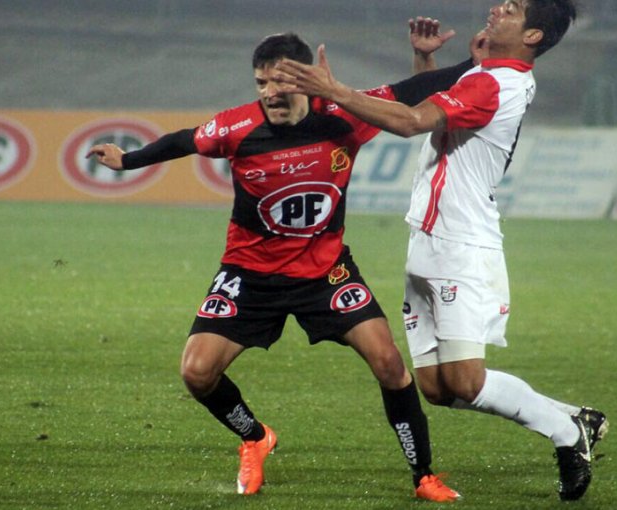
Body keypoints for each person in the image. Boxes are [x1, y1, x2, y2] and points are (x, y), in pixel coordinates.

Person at [87, 24, 485, 501]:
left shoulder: (345, 114)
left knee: (390, 366)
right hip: (249, 274)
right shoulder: (237, 127)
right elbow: (183, 141)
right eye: (261, 83)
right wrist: (127, 160)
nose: (270, 93)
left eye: (280, 81)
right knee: (196, 372)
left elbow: (414, 93)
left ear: (307, 78)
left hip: (326, 271)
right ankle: (255, 437)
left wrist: (477, 64)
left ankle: (424, 476)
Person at [275, 0, 608, 501]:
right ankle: (571, 417)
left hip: (462, 247)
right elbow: (439, 118)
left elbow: (412, 123)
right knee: (437, 388)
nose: (499, 8)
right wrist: (428, 66)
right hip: (428, 241)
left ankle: (567, 435)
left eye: (514, 9)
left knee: (467, 382)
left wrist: (333, 91)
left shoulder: (492, 83)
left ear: (534, 35)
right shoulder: (489, 75)